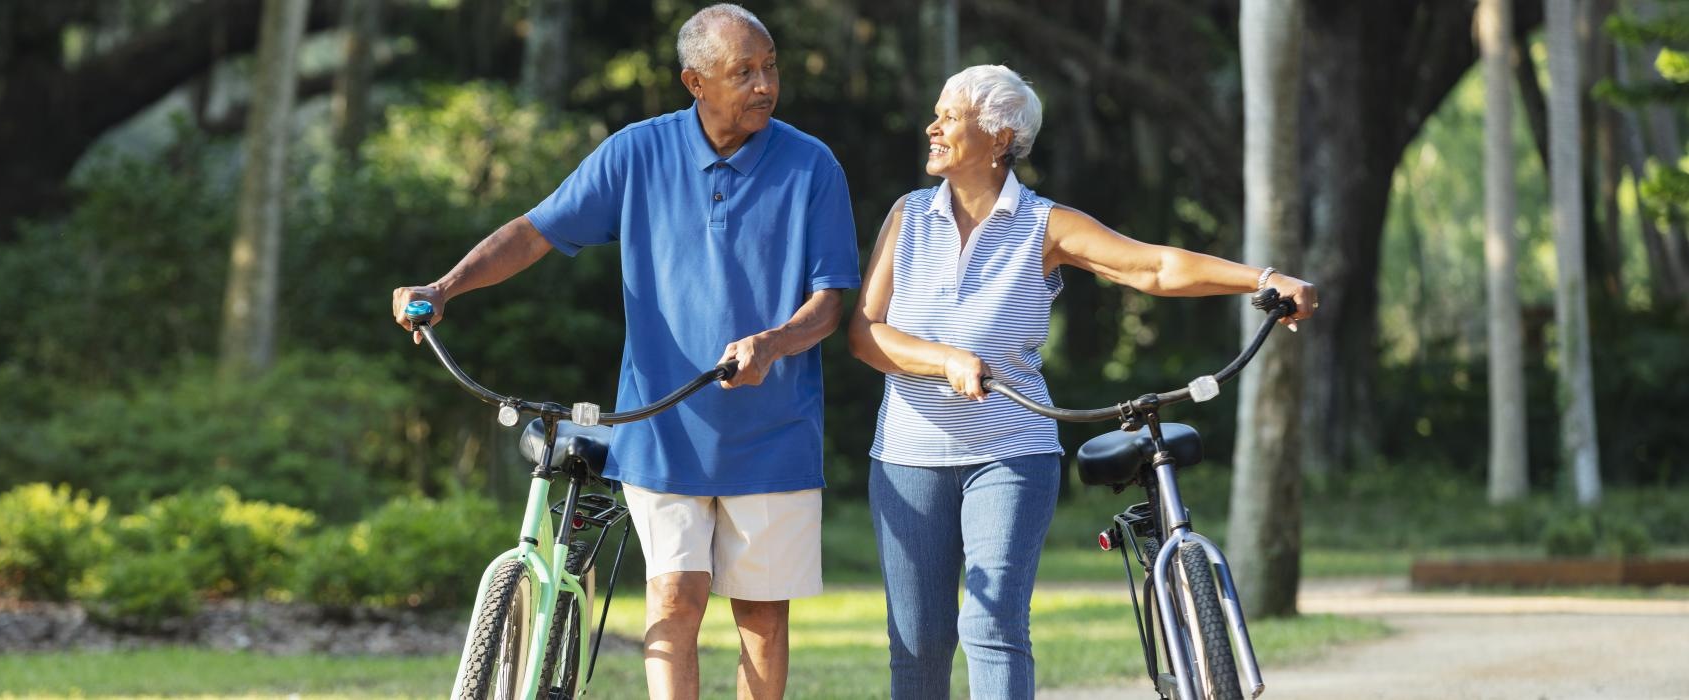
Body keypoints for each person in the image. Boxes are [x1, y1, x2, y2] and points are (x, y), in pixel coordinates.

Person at [392, 5, 859, 698]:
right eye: (744, 72)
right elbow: (535, 230)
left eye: (771, 67)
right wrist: (446, 285)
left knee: (761, 617)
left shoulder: (811, 165)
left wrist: (772, 343)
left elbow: (829, 303)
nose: (764, 84)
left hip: (774, 431)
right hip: (660, 429)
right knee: (674, 601)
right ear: (694, 82)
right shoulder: (636, 152)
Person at [847, 64, 1317, 699]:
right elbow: (865, 333)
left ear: (999, 137)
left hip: (1011, 452)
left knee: (991, 625)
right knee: (919, 640)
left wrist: (1264, 278)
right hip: (907, 456)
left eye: (948, 116)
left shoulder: (1043, 224)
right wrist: (945, 359)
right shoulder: (908, 216)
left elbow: (1153, 267)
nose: (931, 127)